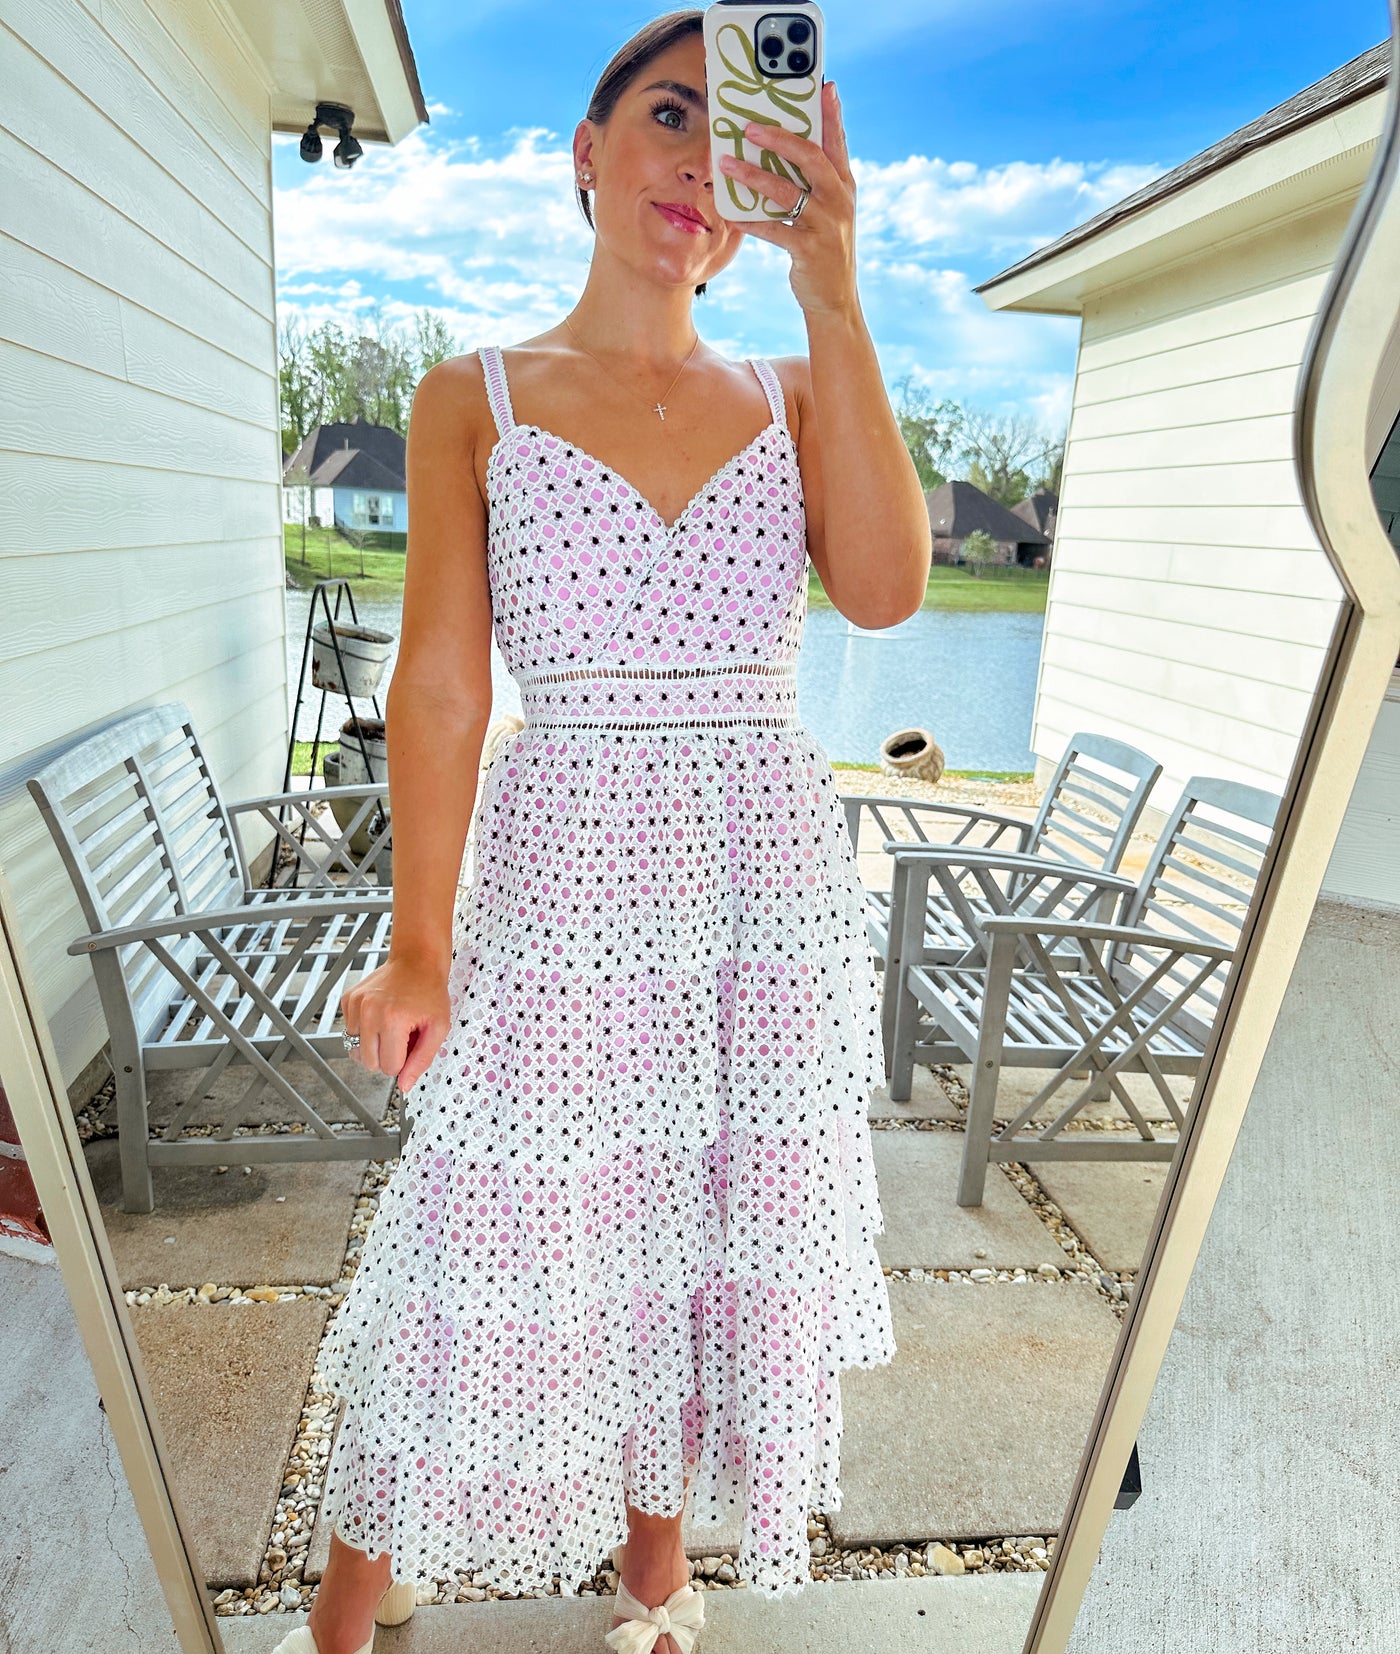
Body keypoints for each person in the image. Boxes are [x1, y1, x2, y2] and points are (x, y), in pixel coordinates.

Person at [276, 10, 931, 1653]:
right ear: (588, 156)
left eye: (737, 134)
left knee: (709, 1218)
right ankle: (360, 1598)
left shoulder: (797, 385)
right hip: (563, 871)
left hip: (758, 888)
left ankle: (655, 1573)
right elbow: (438, 683)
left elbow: (886, 588)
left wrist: (833, 286)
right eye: (666, 116)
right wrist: (420, 937)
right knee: (482, 1217)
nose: (703, 162)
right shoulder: (470, 398)